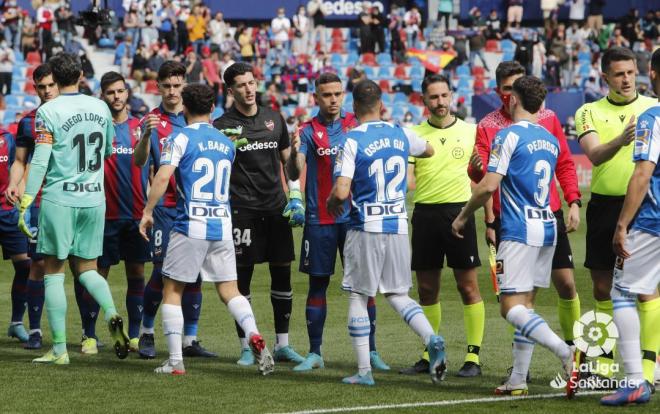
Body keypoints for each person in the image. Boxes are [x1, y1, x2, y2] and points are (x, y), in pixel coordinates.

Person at [452, 75, 581, 398]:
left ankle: (567, 354)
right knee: (526, 306)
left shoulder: (507, 136)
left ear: (513, 100)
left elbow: (488, 185)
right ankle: (518, 379)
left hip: (519, 230)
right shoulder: (549, 138)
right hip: (547, 227)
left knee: (510, 307)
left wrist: (463, 216)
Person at [139, 83, 274, 376]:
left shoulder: (179, 137)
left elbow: (162, 177)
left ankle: (175, 361)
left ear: (184, 107)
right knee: (230, 290)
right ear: (213, 108)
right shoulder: (226, 143)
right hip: (222, 225)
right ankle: (252, 333)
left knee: (172, 290)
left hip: (190, 225)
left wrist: (148, 211)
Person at [327, 79, 444, 386]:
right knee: (398, 294)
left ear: (353, 108)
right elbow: (429, 149)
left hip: (365, 225)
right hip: (398, 224)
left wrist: (330, 201)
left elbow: (341, 192)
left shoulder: (351, 140)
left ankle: (364, 371)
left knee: (358, 294)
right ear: (382, 106)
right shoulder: (401, 133)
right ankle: (431, 337)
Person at [16, 52, 130, 365]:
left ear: (55, 75)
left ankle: (60, 350)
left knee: (53, 272)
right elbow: (108, 149)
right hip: (94, 198)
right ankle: (112, 313)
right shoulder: (100, 107)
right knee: (88, 270)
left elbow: (39, 159)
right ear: (81, 74)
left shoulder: (48, 111)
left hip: (59, 198)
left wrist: (27, 200)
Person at [286, 72, 389, 372]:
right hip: (320, 220)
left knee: (364, 287)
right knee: (318, 284)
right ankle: (315, 352)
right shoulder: (306, 131)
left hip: (356, 220)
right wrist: (294, 156)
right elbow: (295, 172)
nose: (332, 100)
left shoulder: (356, 125)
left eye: (337, 94)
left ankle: (371, 352)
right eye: (326, 95)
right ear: (316, 97)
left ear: (343, 95)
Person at [213, 62, 305, 365]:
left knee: (282, 274)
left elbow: (288, 166)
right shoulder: (221, 125)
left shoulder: (274, 119)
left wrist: (295, 189)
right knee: (242, 280)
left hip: (275, 208)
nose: (249, 89)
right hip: (241, 210)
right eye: (241, 85)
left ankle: (282, 344)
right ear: (231, 90)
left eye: (252, 83)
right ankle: (246, 346)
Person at [575, 46, 657, 382]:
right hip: (604, 206)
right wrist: (622, 140)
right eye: (618, 74)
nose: (626, 79)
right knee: (601, 287)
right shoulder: (588, 111)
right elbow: (593, 155)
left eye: (629, 72)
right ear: (604, 76)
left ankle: (649, 368)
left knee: (646, 289)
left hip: (644, 206)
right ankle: (605, 365)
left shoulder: (654, 107)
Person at [400, 74, 485, 378]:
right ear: (423, 100)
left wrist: (489, 220)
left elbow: (484, 179)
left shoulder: (472, 131)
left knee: (468, 286)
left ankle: (473, 357)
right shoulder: (413, 135)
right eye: (433, 97)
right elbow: (409, 182)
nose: (439, 103)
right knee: (426, 289)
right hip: (424, 215)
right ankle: (429, 350)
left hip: (460, 212)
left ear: (452, 96)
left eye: (444, 96)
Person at [133, 61, 215, 359]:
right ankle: (145, 332)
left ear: (184, 86)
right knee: (162, 271)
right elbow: (141, 163)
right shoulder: (151, 120)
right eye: (166, 86)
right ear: (158, 87)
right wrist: (144, 137)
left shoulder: (195, 120)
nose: (171, 91)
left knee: (194, 274)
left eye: (177, 86)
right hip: (166, 209)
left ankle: (189, 340)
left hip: (194, 207)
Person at [600, 48, 660, 407]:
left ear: (650, 73)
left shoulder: (653, 118)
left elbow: (642, 174)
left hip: (653, 223)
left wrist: (622, 225)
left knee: (621, 293)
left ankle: (636, 381)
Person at [84, 71, 150, 353]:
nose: (117, 96)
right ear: (103, 95)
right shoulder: (95, 129)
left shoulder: (140, 128)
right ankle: (89, 335)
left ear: (128, 93)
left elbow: (157, 168)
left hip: (136, 216)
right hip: (103, 215)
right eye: (111, 92)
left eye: (120, 91)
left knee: (137, 273)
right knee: (98, 275)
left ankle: (134, 335)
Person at [5, 64, 59, 350]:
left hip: (71, 199)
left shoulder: (74, 116)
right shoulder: (28, 122)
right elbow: (20, 161)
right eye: (42, 87)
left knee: (78, 265)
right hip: (39, 202)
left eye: (51, 85)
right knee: (36, 263)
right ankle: (35, 330)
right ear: (35, 88)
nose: (47, 91)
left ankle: (88, 334)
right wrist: (15, 183)